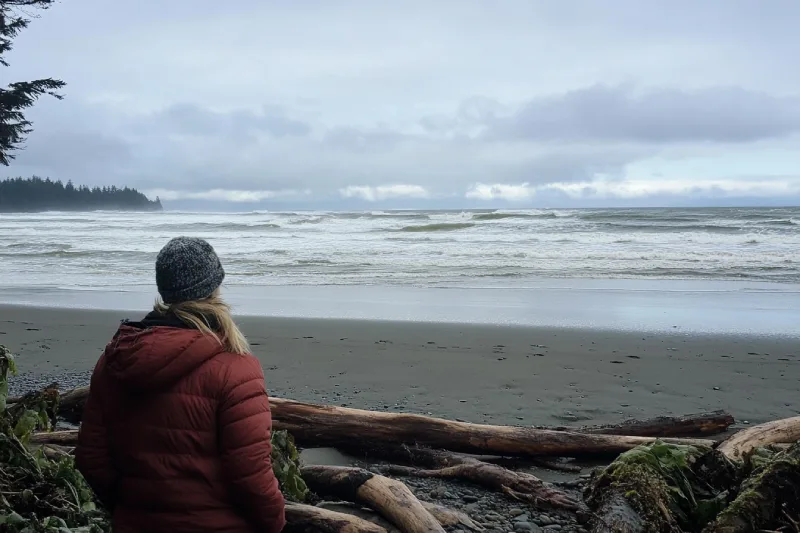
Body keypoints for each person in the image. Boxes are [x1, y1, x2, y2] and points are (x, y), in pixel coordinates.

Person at [75, 236, 286, 533]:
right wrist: (275, 523)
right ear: (214, 289)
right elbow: (251, 473)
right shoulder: (236, 367)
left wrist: (131, 507)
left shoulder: (116, 359)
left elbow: (91, 457)